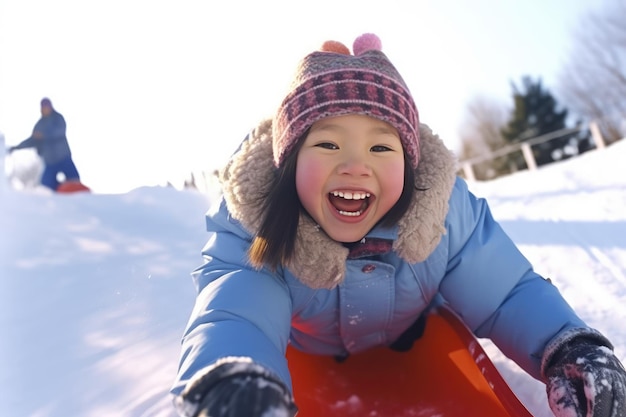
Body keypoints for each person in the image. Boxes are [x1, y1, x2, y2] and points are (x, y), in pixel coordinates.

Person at [171, 34, 626, 417]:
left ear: (409, 163)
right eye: (328, 144)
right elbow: (235, 310)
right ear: (289, 163)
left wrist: (569, 346)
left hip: (412, 333)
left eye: (381, 148)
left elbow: (506, 292)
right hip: (303, 346)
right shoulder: (256, 222)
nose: (354, 165)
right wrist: (227, 380)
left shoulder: (443, 210)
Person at [7, 98, 81, 191]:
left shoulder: (58, 118)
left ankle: (78, 195)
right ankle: (61, 192)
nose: (45, 109)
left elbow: (60, 131)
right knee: (46, 185)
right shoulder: (39, 124)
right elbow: (32, 140)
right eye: (43, 107)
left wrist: (44, 135)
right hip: (49, 161)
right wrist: (17, 147)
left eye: (47, 106)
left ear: (50, 107)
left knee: (74, 180)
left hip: (63, 157)